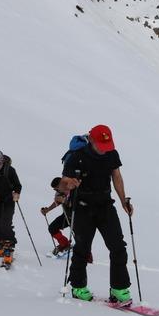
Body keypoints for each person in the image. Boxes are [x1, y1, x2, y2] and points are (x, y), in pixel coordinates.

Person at [55, 125, 133, 304]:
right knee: (82, 248)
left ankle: (119, 289)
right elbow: (62, 183)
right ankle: (78, 287)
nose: (104, 150)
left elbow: (117, 176)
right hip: (82, 207)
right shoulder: (76, 157)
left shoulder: (112, 154)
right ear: (91, 140)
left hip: (105, 204)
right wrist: (69, 183)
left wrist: (123, 200)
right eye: (101, 146)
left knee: (118, 246)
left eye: (107, 146)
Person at [39, 177, 92, 261]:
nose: (57, 190)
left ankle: (87, 256)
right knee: (52, 228)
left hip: (78, 216)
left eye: (57, 188)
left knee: (79, 237)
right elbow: (57, 202)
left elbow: (76, 204)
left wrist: (65, 201)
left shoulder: (74, 188)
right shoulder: (59, 192)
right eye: (55, 189)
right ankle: (64, 244)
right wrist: (48, 209)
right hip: (67, 215)